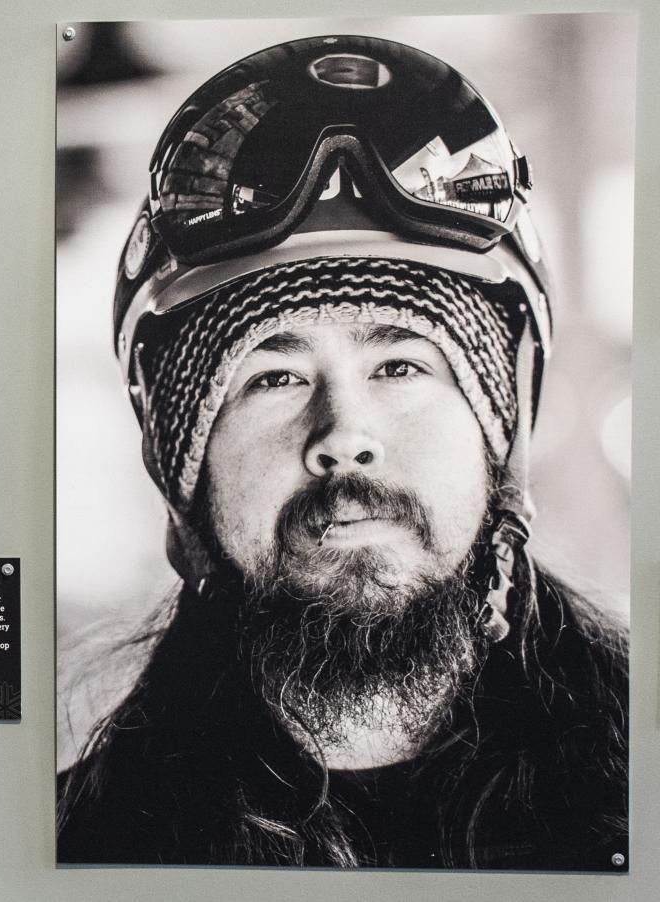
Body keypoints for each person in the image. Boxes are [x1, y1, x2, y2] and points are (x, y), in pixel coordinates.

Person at [56, 35, 628, 869]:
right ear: (183, 469)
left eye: (399, 365)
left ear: (499, 436)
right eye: (273, 377)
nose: (344, 437)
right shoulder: (84, 852)